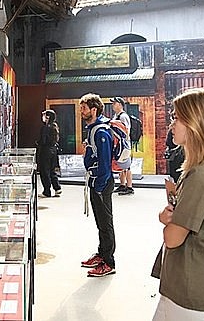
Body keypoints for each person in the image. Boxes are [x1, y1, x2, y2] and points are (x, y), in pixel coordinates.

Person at [153, 88, 204, 321]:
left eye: (176, 118)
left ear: (195, 123)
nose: (172, 124)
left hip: (193, 289)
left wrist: (166, 221)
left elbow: (173, 238)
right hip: (191, 284)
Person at [79, 93, 116, 277]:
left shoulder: (101, 132)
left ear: (94, 110)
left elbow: (104, 161)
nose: (81, 111)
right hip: (96, 182)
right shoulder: (93, 129)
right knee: (100, 222)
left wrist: (100, 185)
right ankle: (102, 254)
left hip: (101, 183)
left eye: (84, 108)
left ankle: (109, 262)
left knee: (105, 223)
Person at [110, 96, 134, 195]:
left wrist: (124, 144)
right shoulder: (116, 116)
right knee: (121, 165)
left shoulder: (123, 116)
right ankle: (122, 185)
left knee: (126, 166)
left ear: (120, 104)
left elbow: (126, 131)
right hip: (119, 144)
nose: (112, 105)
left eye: (114, 103)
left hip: (124, 144)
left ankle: (129, 187)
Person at [36, 109, 62, 198]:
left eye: (44, 115)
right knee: (52, 170)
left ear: (48, 117)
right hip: (53, 151)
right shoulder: (55, 126)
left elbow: (43, 141)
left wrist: (38, 143)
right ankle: (57, 188)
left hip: (46, 151)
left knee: (44, 171)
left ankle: (47, 191)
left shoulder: (46, 127)